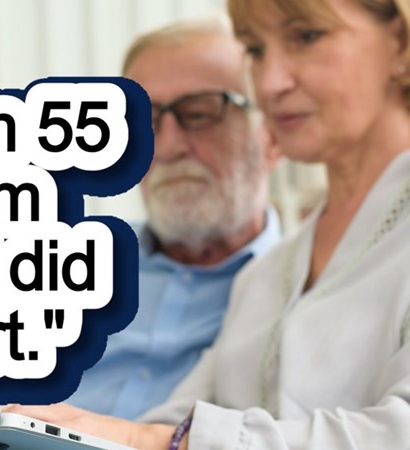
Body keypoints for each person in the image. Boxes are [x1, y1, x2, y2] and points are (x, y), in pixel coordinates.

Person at [7, 0, 410, 448]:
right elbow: (173, 420)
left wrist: (163, 442)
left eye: (306, 36)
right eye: (256, 50)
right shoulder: (265, 275)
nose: (271, 81)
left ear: (402, 40)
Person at [66, 17, 283, 420]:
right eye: (143, 124)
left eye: (200, 113)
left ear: (272, 136)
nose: (166, 147)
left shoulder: (306, 287)